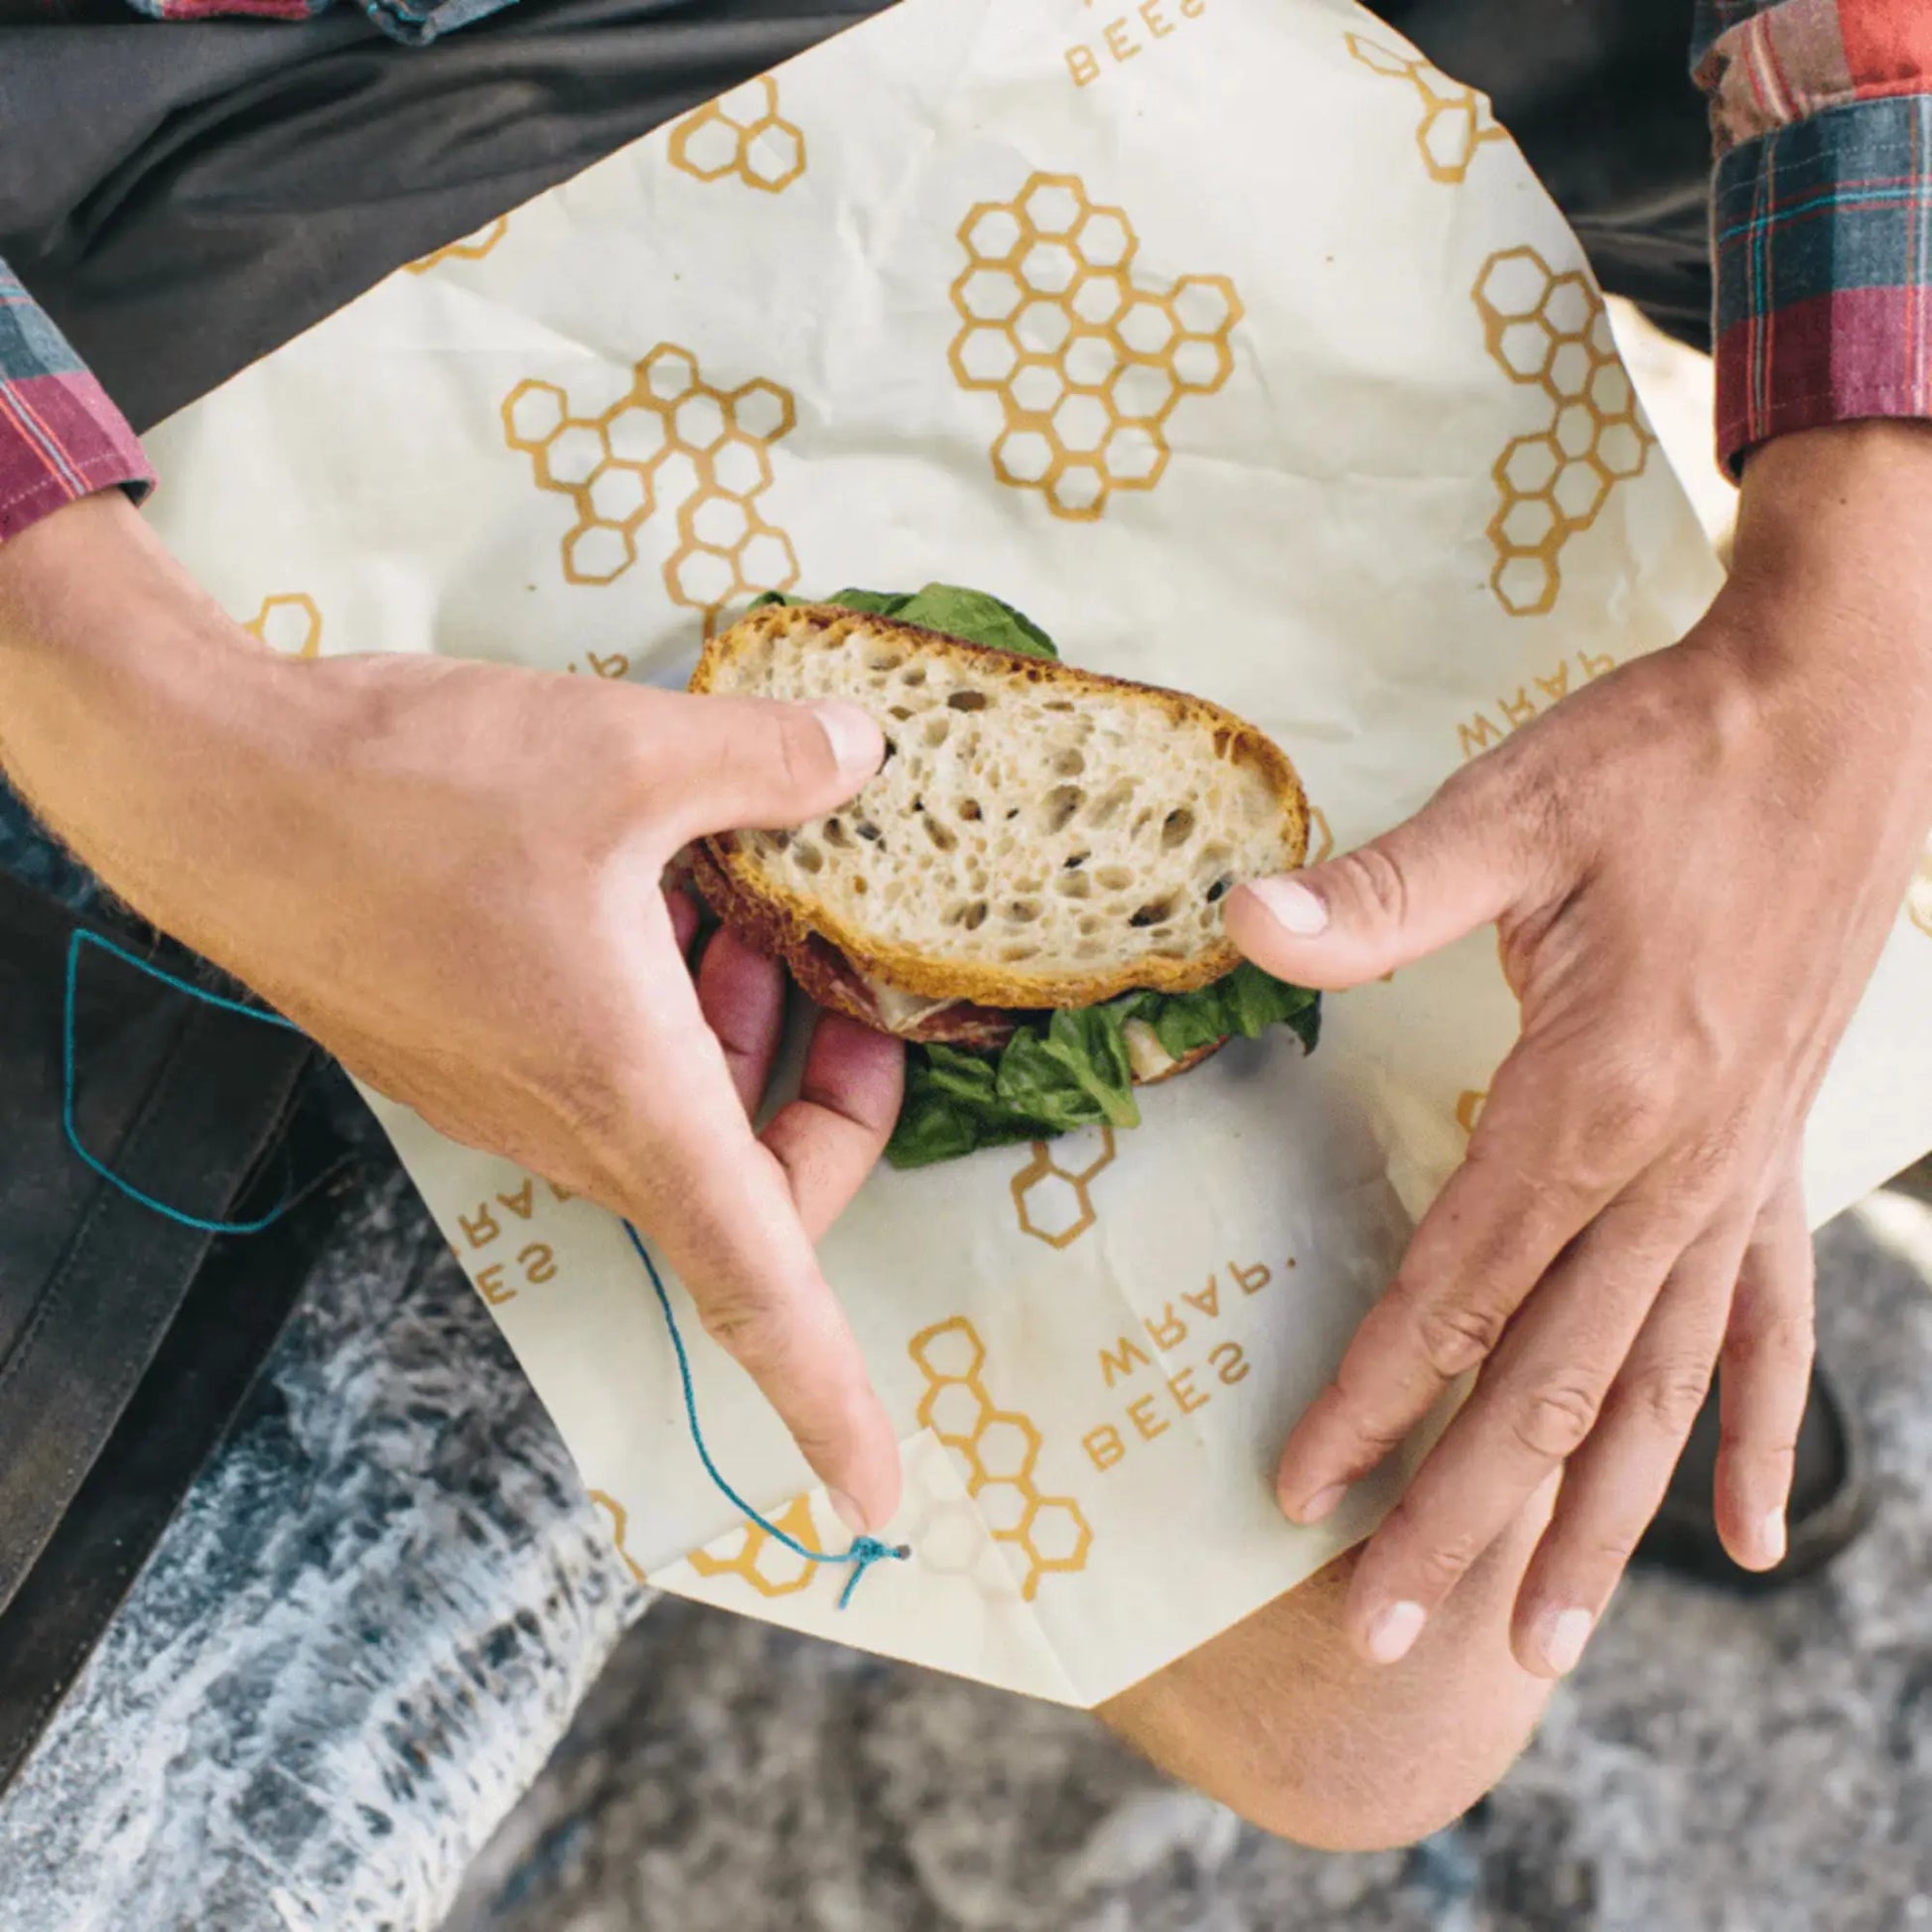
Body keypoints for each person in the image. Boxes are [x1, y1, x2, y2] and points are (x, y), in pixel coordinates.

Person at [0, 0, 1926, 1861]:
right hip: (175, 202)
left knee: (1503, 1401)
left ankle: (1629, 1229)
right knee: (1365, 1709)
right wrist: (161, 719)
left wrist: (1846, 639)